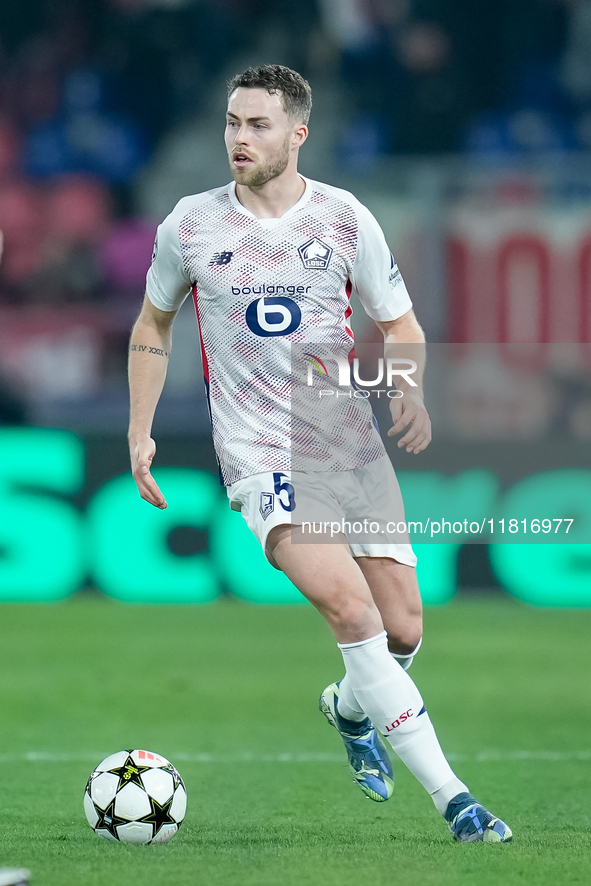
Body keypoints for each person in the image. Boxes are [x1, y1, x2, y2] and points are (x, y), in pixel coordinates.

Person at [127, 64, 512, 844]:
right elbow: (152, 325)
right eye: (232, 122)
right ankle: (456, 802)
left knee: (403, 630)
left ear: (297, 133)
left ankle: (345, 706)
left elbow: (400, 325)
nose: (239, 138)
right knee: (350, 609)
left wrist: (406, 389)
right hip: (260, 451)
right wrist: (141, 431)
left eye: (257, 124)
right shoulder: (190, 226)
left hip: (346, 444)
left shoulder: (342, 219)